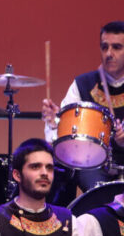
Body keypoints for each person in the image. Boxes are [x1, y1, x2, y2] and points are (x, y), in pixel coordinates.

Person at [42, 21, 124, 193]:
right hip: (93, 165)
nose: (109, 53)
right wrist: (55, 122)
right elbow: (60, 136)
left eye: (116, 47)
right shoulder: (82, 84)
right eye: (104, 47)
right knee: (97, 194)